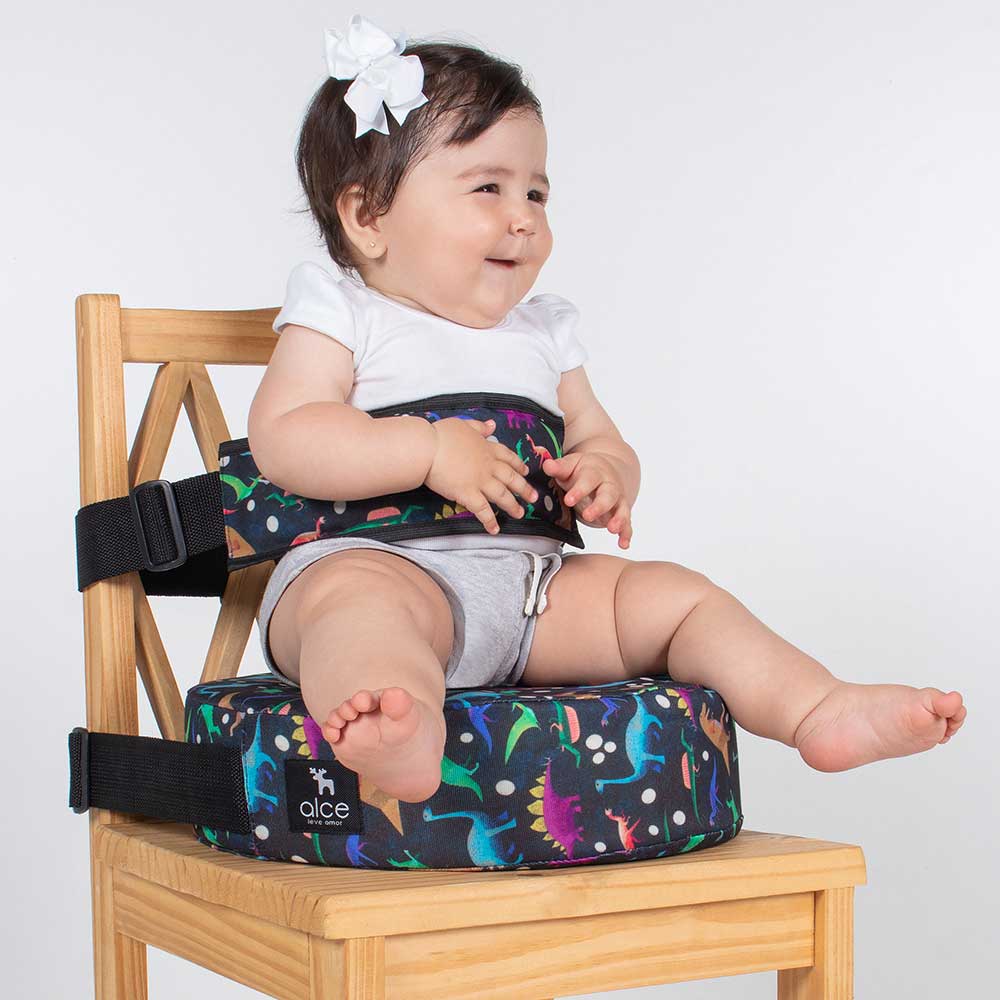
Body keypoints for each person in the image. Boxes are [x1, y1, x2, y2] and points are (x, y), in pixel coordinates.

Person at [248, 15, 965, 803]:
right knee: (360, 614)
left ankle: (815, 707)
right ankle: (400, 729)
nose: (523, 216)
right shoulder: (346, 313)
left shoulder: (543, 331)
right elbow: (286, 435)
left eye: (536, 192)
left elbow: (599, 434)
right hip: (380, 563)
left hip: (534, 593)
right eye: (488, 188)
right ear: (368, 217)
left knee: (676, 598)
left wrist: (607, 470)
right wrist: (427, 450)